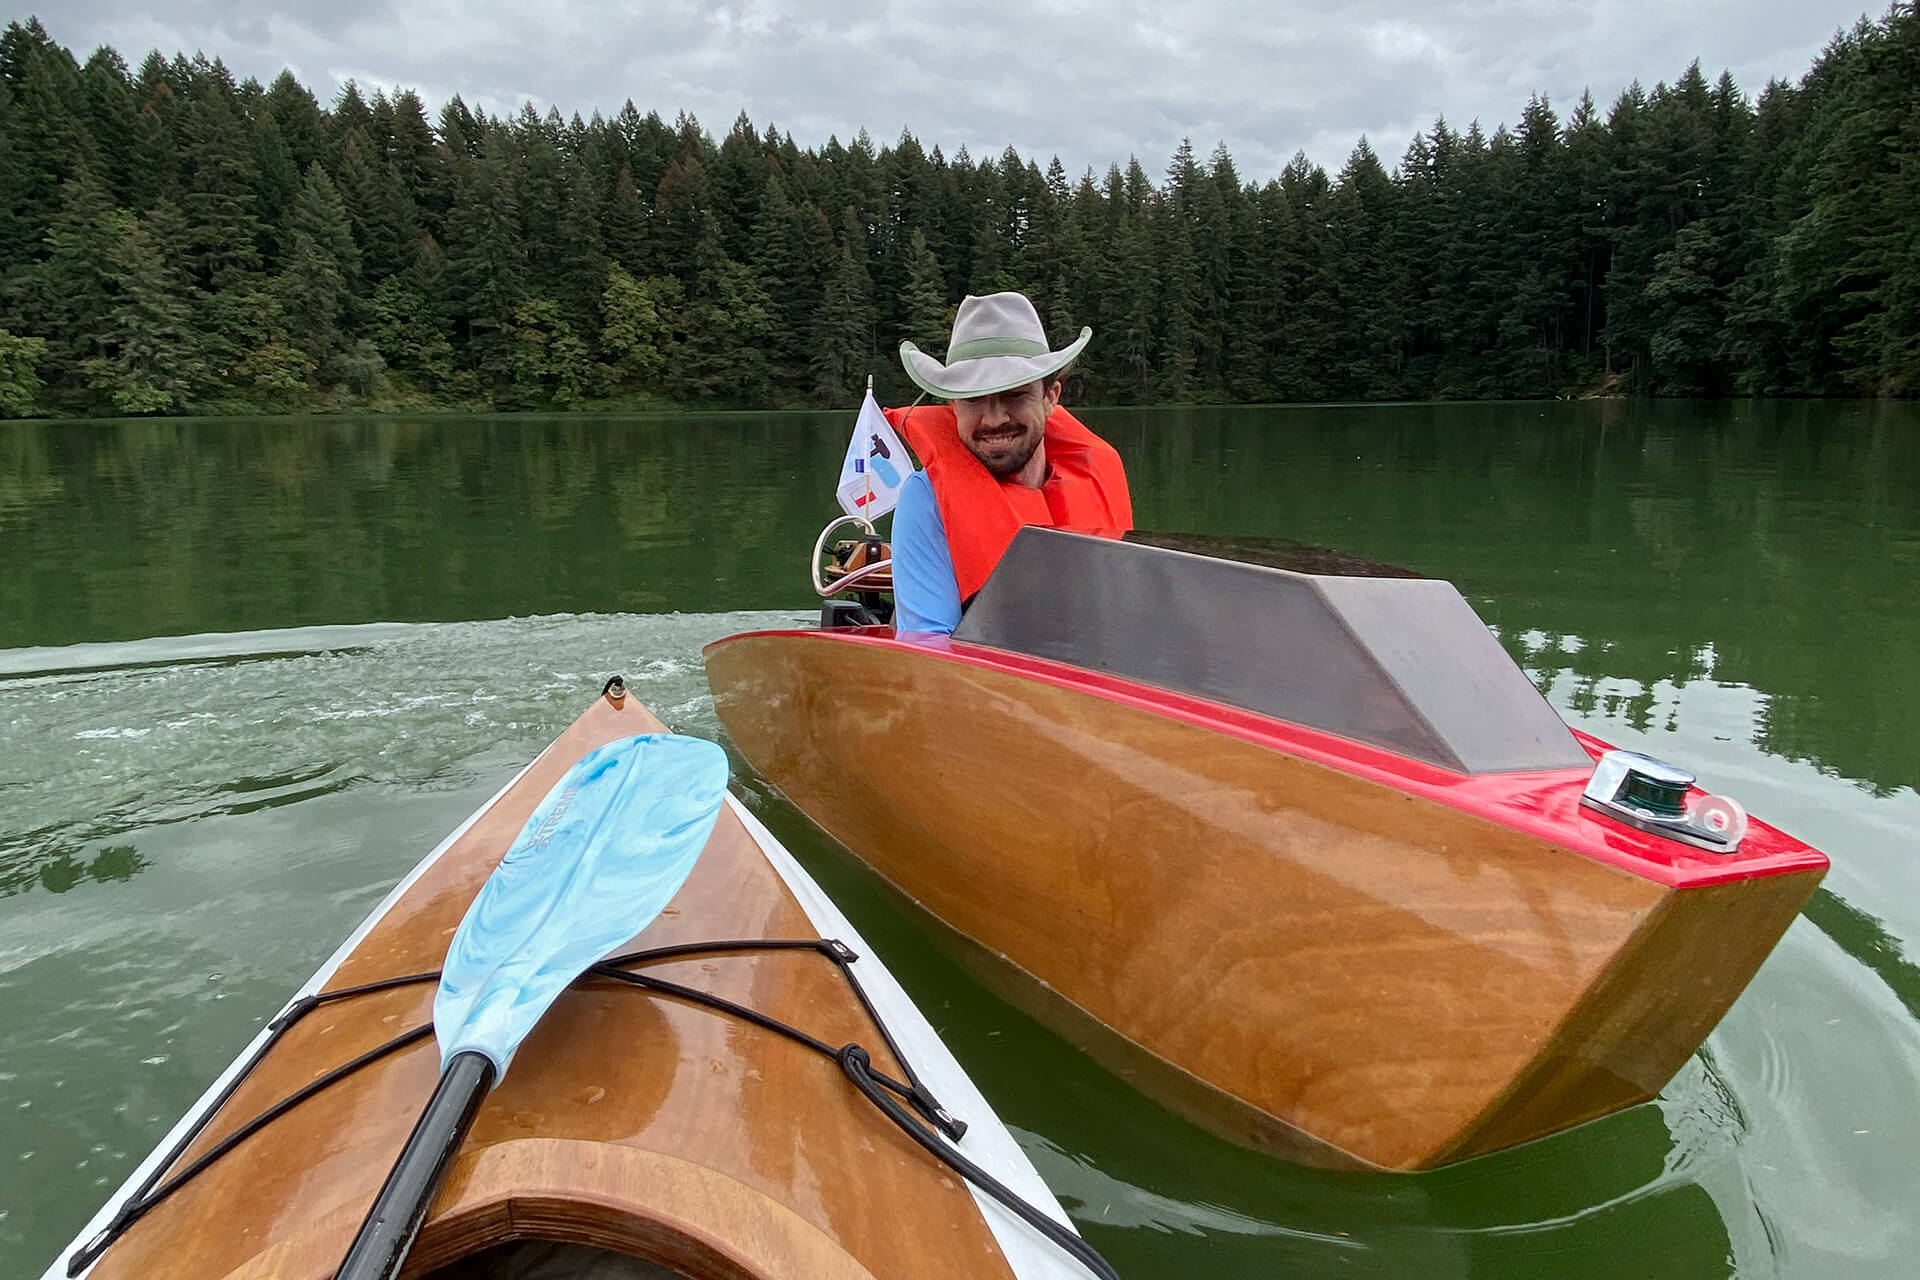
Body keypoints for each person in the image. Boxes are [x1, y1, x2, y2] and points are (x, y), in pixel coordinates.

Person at [883, 292, 1132, 633]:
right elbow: (930, 655)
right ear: (953, 405)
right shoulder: (926, 500)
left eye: (1014, 394)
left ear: (1050, 398)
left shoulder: (1099, 473)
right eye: (973, 399)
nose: (994, 418)